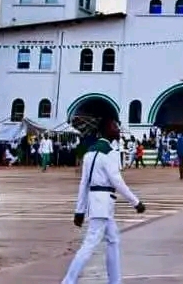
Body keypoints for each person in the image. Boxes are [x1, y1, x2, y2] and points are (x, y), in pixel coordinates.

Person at [61, 117, 146, 283]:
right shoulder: (110, 153)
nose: (117, 128)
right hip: (103, 204)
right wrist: (136, 202)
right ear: (106, 130)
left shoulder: (89, 153)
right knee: (90, 243)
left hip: (98, 202)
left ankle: (115, 280)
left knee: (113, 239)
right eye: (114, 126)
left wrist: (80, 210)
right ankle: (68, 281)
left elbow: (83, 184)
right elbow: (117, 182)